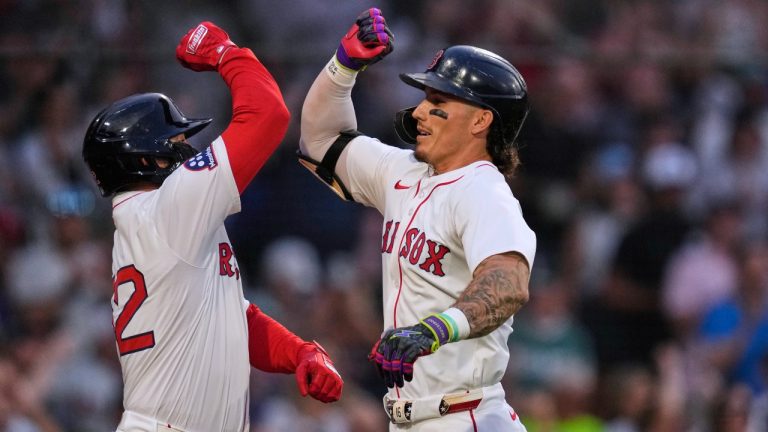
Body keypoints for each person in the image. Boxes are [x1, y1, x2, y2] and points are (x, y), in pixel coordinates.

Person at [81, 21, 343, 432]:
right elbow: (269, 113)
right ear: (145, 160)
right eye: (174, 146)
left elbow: (233, 318)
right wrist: (226, 53)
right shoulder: (170, 207)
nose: (186, 151)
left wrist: (299, 353)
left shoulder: (157, 220)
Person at [299, 8, 535, 431]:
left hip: (466, 416)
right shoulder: (402, 171)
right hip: (410, 419)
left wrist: (434, 330)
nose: (421, 111)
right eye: (426, 98)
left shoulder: (484, 192)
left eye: (438, 101)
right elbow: (320, 140)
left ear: (481, 120)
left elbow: (509, 283)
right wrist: (342, 69)